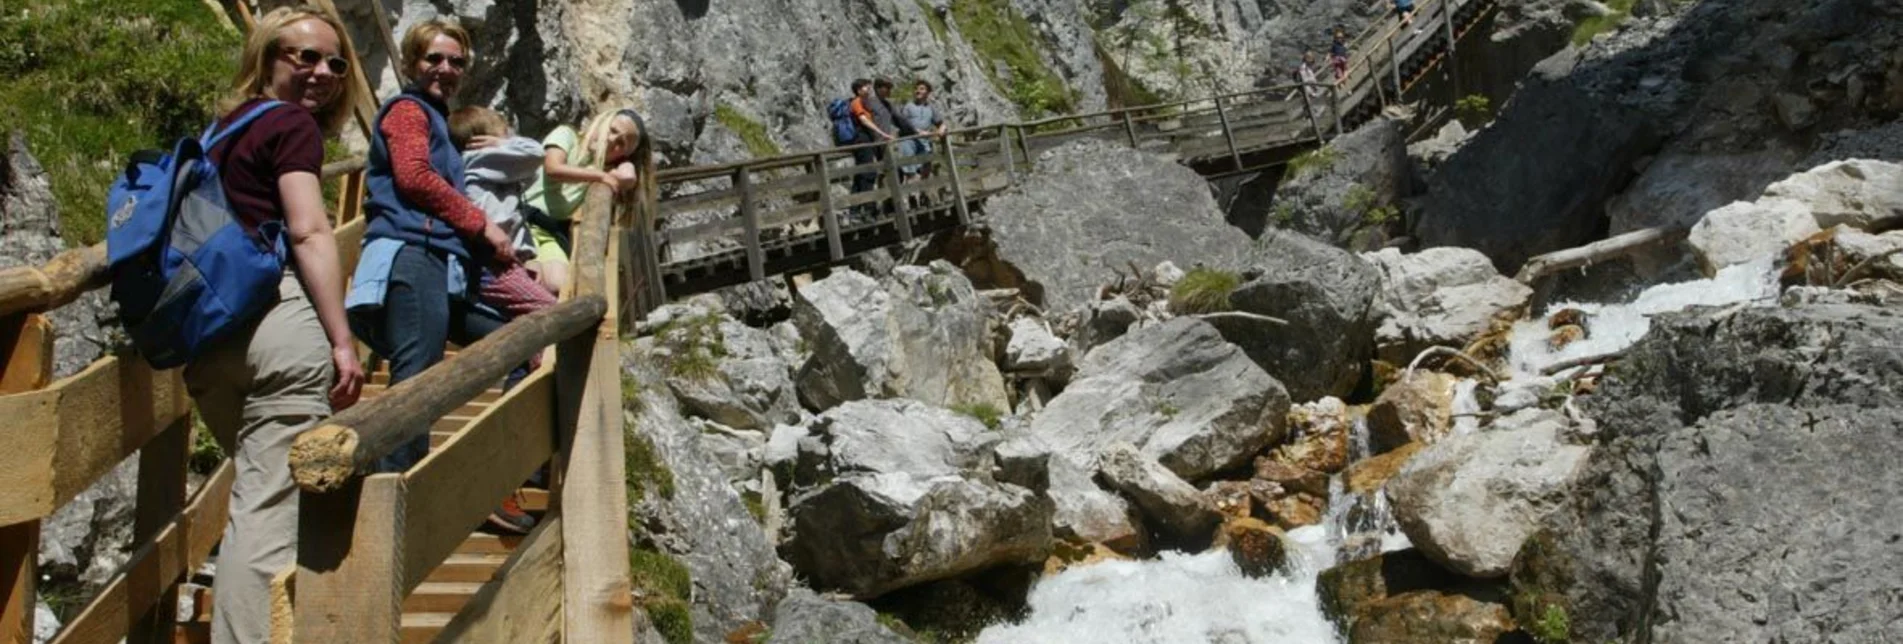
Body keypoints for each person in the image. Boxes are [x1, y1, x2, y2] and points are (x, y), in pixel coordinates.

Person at [189, 6, 366, 642]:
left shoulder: (221, 129)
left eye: (335, 62)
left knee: (254, 501)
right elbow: (309, 228)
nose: (321, 72)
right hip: (277, 325)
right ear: (266, 59)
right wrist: (342, 341)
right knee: (266, 520)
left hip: (208, 335)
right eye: (304, 57)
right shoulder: (292, 125)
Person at [447, 106, 559, 327]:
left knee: (525, 322)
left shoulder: (476, 162)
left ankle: (533, 360)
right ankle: (540, 361)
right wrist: (504, 143)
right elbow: (536, 153)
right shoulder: (480, 157)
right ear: (484, 138)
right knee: (552, 314)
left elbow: (530, 173)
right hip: (493, 265)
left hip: (499, 262)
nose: (509, 135)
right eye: (504, 131)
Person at [521, 106, 652, 285]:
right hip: (523, 219)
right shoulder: (567, 136)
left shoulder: (603, 167)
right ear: (601, 123)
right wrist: (600, 175)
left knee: (558, 285)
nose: (611, 140)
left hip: (550, 231)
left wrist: (625, 163)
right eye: (612, 130)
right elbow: (553, 168)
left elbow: (628, 176)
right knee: (532, 275)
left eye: (621, 144)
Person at [846, 77, 886, 211]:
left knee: (860, 173)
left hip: (865, 139)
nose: (869, 88)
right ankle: (868, 207)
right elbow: (864, 120)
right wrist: (881, 133)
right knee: (868, 172)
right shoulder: (857, 102)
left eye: (869, 86)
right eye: (865, 87)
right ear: (858, 90)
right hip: (862, 139)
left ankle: (855, 209)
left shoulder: (864, 102)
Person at [897, 79, 947, 184]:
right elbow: (903, 124)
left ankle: (923, 195)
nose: (917, 91)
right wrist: (917, 131)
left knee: (926, 170)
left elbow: (940, 122)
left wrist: (942, 128)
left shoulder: (931, 108)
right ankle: (912, 197)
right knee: (911, 173)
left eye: (921, 89)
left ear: (927, 92)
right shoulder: (909, 106)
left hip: (924, 143)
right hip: (909, 142)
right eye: (916, 89)